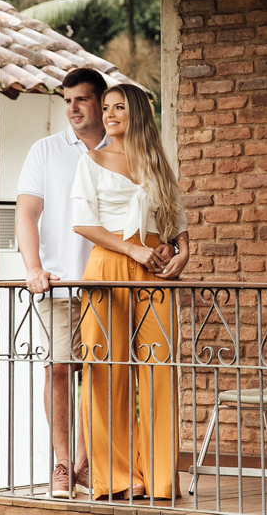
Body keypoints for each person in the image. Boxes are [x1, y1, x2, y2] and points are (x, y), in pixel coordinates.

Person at [72, 83, 190, 501]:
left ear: (137, 112)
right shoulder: (92, 162)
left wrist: (182, 253)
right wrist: (133, 249)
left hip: (156, 273)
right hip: (108, 268)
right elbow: (83, 223)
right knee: (106, 372)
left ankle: (159, 477)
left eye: (118, 107)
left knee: (159, 371)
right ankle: (117, 477)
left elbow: (177, 224)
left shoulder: (158, 165)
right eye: (105, 107)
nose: (109, 114)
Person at [16, 67, 112, 498]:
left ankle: (87, 464)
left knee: (101, 375)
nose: (72, 107)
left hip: (110, 285)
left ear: (101, 101)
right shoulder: (46, 150)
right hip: (57, 285)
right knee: (59, 369)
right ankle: (60, 464)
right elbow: (26, 213)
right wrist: (33, 268)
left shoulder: (122, 149)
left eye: (82, 99)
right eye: (67, 99)